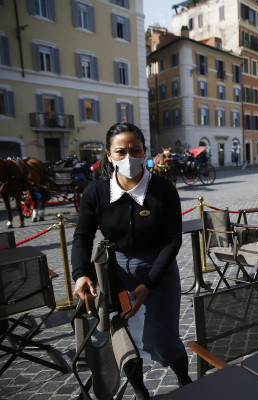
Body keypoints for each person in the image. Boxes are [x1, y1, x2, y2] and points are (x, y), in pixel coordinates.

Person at [71, 122, 191, 399]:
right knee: (123, 338)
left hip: (158, 273)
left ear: (144, 152)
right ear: (109, 154)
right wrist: (80, 273)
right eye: (121, 152)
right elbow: (82, 237)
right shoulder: (95, 193)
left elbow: (173, 240)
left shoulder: (163, 189)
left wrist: (149, 283)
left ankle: (186, 382)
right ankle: (140, 392)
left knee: (164, 337)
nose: (128, 158)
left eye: (135, 151)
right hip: (117, 275)